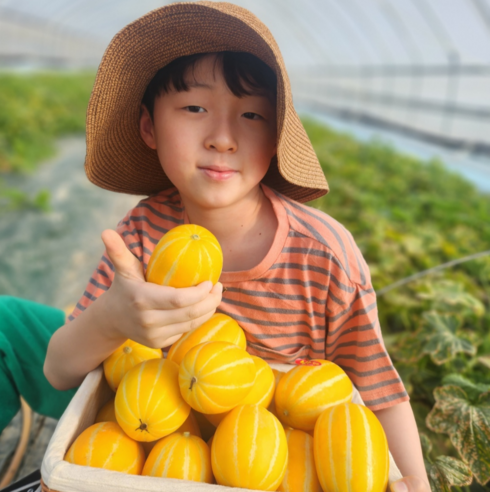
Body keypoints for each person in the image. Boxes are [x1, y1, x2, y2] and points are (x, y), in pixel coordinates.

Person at [41, 3, 429, 491]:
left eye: (251, 114)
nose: (223, 138)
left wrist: (415, 481)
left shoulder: (325, 256)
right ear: (148, 128)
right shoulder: (142, 232)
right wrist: (112, 319)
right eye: (195, 108)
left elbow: (379, 394)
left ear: (276, 138)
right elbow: (58, 370)